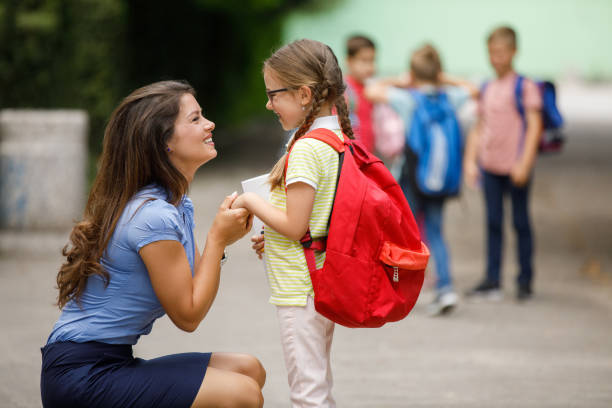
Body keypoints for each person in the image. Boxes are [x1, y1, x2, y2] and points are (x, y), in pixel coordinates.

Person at [40, 80, 266, 408]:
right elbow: (188, 316)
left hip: (111, 362)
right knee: (239, 394)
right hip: (82, 374)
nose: (209, 124)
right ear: (164, 142)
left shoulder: (175, 205)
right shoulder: (152, 216)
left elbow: (192, 289)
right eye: (195, 119)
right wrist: (217, 239)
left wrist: (223, 239)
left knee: (248, 369)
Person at [231, 39, 354, 407]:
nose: (268, 104)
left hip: (300, 287)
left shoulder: (305, 148)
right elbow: (317, 218)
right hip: (318, 279)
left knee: (307, 393)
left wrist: (252, 202)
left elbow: (296, 225)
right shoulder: (335, 138)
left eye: (274, 95)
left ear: (303, 94)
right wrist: (274, 232)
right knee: (318, 384)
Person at [364, 44, 478, 316]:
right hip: (440, 180)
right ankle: (446, 287)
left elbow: (371, 90)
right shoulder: (450, 97)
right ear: (438, 71)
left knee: (406, 234)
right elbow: (474, 89)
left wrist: (401, 81)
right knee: (436, 232)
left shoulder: (409, 99)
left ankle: (399, 289)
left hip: (411, 177)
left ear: (413, 74)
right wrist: (444, 78)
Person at [463, 26, 542, 301]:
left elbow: (534, 126)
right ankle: (492, 279)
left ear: (513, 52)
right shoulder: (487, 87)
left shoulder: (524, 86)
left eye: (501, 53)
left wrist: (525, 162)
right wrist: (470, 161)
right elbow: (479, 126)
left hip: (515, 167)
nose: (495, 58)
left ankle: (524, 280)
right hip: (491, 167)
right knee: (493, 222)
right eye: (492, 53)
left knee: (520, 222)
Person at [344, 34, 376, 152]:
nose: (370, 67)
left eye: (372, 60)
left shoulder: (369, 88)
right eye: (364, 61)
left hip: (368, 155)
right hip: (353, 156)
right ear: (349, 61)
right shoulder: (344, 91)